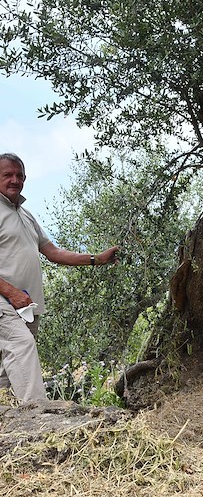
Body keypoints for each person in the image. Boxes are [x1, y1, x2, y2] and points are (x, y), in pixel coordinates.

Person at [0, 152, 119, 403]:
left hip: (28, 305)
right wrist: (11, 293)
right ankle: (38, 413)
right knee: (22, 346)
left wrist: (96, 259)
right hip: (5, 300)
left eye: (19, 175)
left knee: (11, 363)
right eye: (7, 175)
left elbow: (53, 252)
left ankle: (6, 413)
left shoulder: (25, 215)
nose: (15, 180)